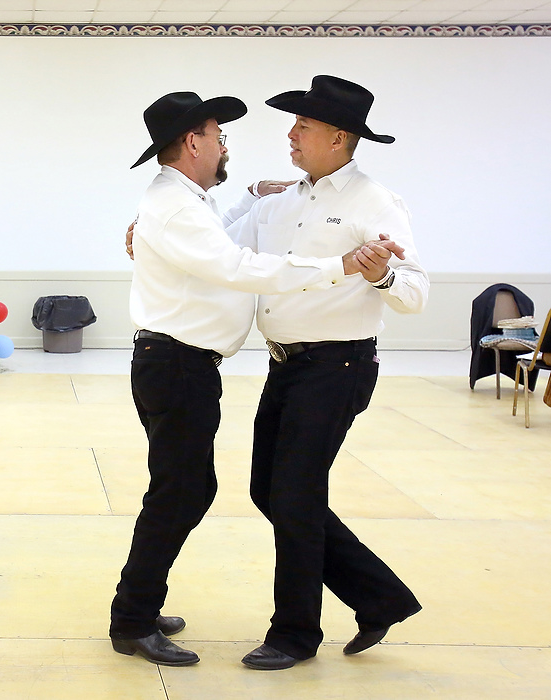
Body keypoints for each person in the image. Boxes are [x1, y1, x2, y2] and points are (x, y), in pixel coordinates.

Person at [110, 90, 403, 667]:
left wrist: (250, 197)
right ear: (193, 142)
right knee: (187, 492)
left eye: (302, 126)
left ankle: (361, 604)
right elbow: (237, 265)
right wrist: (337, 265)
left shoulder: (185, 202)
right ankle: (133, 617)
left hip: (235, 366)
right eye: (219, 136)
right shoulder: (174, 207)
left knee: (245, 492)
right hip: (179, 366)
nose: (225, 146)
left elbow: (224, 239)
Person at [227, 75, 428, 670]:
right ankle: (380, 597)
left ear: (339, 138)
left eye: (303, 126)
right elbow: (221, 251)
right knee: (271, 490)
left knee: (294, 494)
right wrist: (153, 239)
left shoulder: (374, 201)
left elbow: (414, 293)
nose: (291, 134)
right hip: (285, 365)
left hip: (337, 366)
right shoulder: (282, 201)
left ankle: (294, 633)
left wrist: (381, 276)